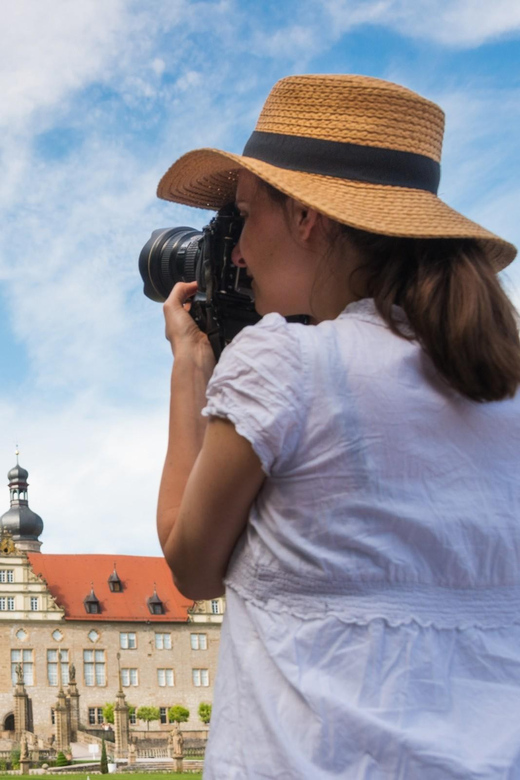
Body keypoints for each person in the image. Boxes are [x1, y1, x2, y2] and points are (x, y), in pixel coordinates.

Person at [155, 75, 520, 778]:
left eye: (243, 216)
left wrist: (190, 364)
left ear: (306, 220)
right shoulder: (505, 387)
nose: (233, 252)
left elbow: (190, 564)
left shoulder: (287, 364)